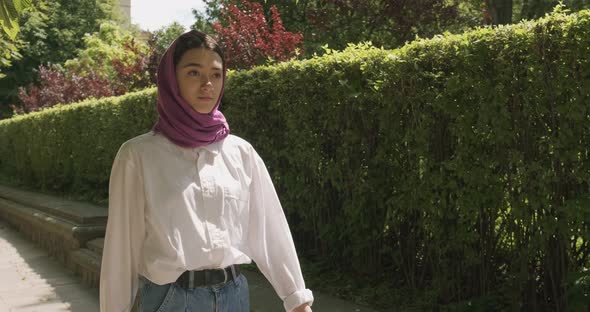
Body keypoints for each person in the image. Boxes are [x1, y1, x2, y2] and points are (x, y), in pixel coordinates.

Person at [99, 30, 314, 312]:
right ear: (171, 79)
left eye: (216, 74)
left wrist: (297, 298)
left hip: (234, 297)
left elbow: (269, 229)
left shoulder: (241, 153)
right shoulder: (138, 156)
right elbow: (121, 250)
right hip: (171, 301)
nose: (207, 84)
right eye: (193, 73)